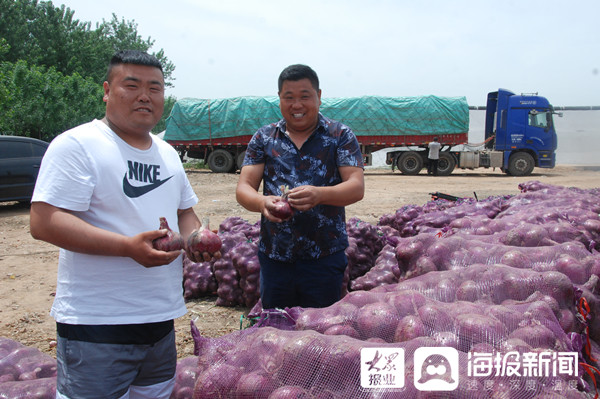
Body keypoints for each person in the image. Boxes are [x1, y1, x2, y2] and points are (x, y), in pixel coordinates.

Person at [30, 50, 212, 399]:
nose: (145, 95)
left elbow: (185, 212)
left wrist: (196, 239)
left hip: (160, 318)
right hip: (98, 323)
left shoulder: (167, 152)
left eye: (155, 88)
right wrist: (126, 247)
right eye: (132, 85)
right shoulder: (77, 144)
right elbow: (44, 221)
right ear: (107, 90)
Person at [236, 64, 365, 310]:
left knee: (320, 333)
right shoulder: (264, 138)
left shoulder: (340, 136)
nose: (297, 105)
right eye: (289, 97)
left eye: (305, 96)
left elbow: (356, 187)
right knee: (276, 330)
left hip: (324, 257)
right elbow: (244, 188)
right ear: (279, 99)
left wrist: (320, 195)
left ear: (319, 96)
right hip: (276, 257)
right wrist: (262, 202)